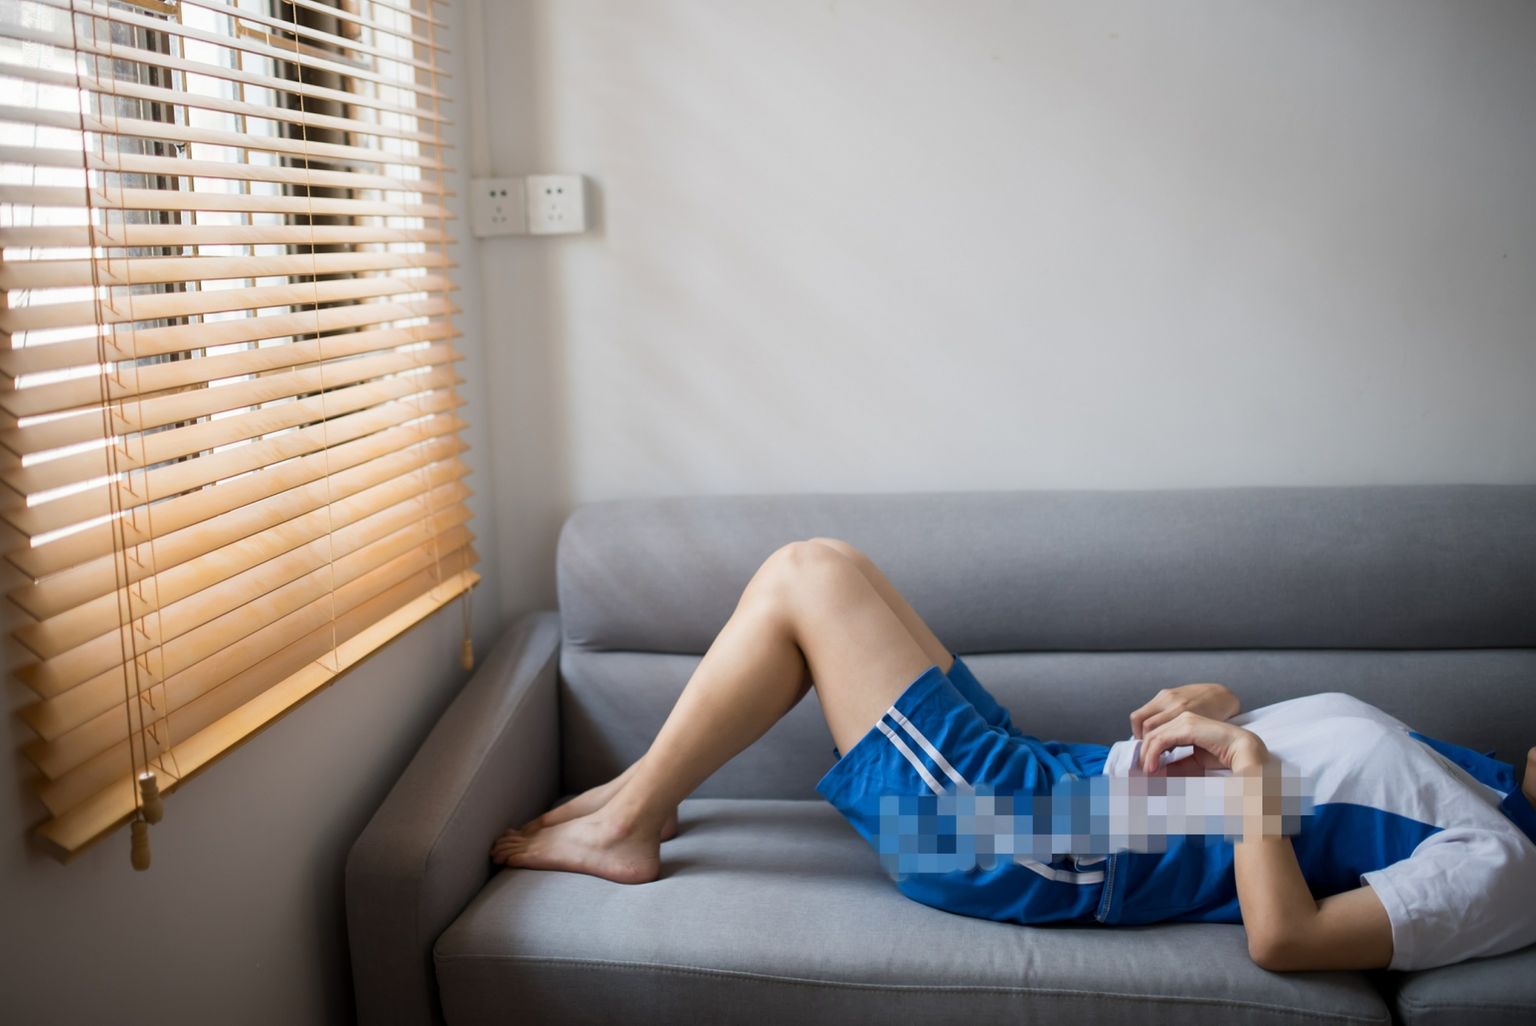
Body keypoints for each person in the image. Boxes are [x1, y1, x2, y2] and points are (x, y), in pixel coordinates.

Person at [491, 538, 1536, 972]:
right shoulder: (1478, 779)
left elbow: (1288, 938)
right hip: (1063, 786)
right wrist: (1220, 706)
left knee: (809, 577)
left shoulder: (1503, 868)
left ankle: (629, 820)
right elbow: (1311, 790)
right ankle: (641, 797)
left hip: (1028, 845)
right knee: (834, 566)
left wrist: (1252, 769)